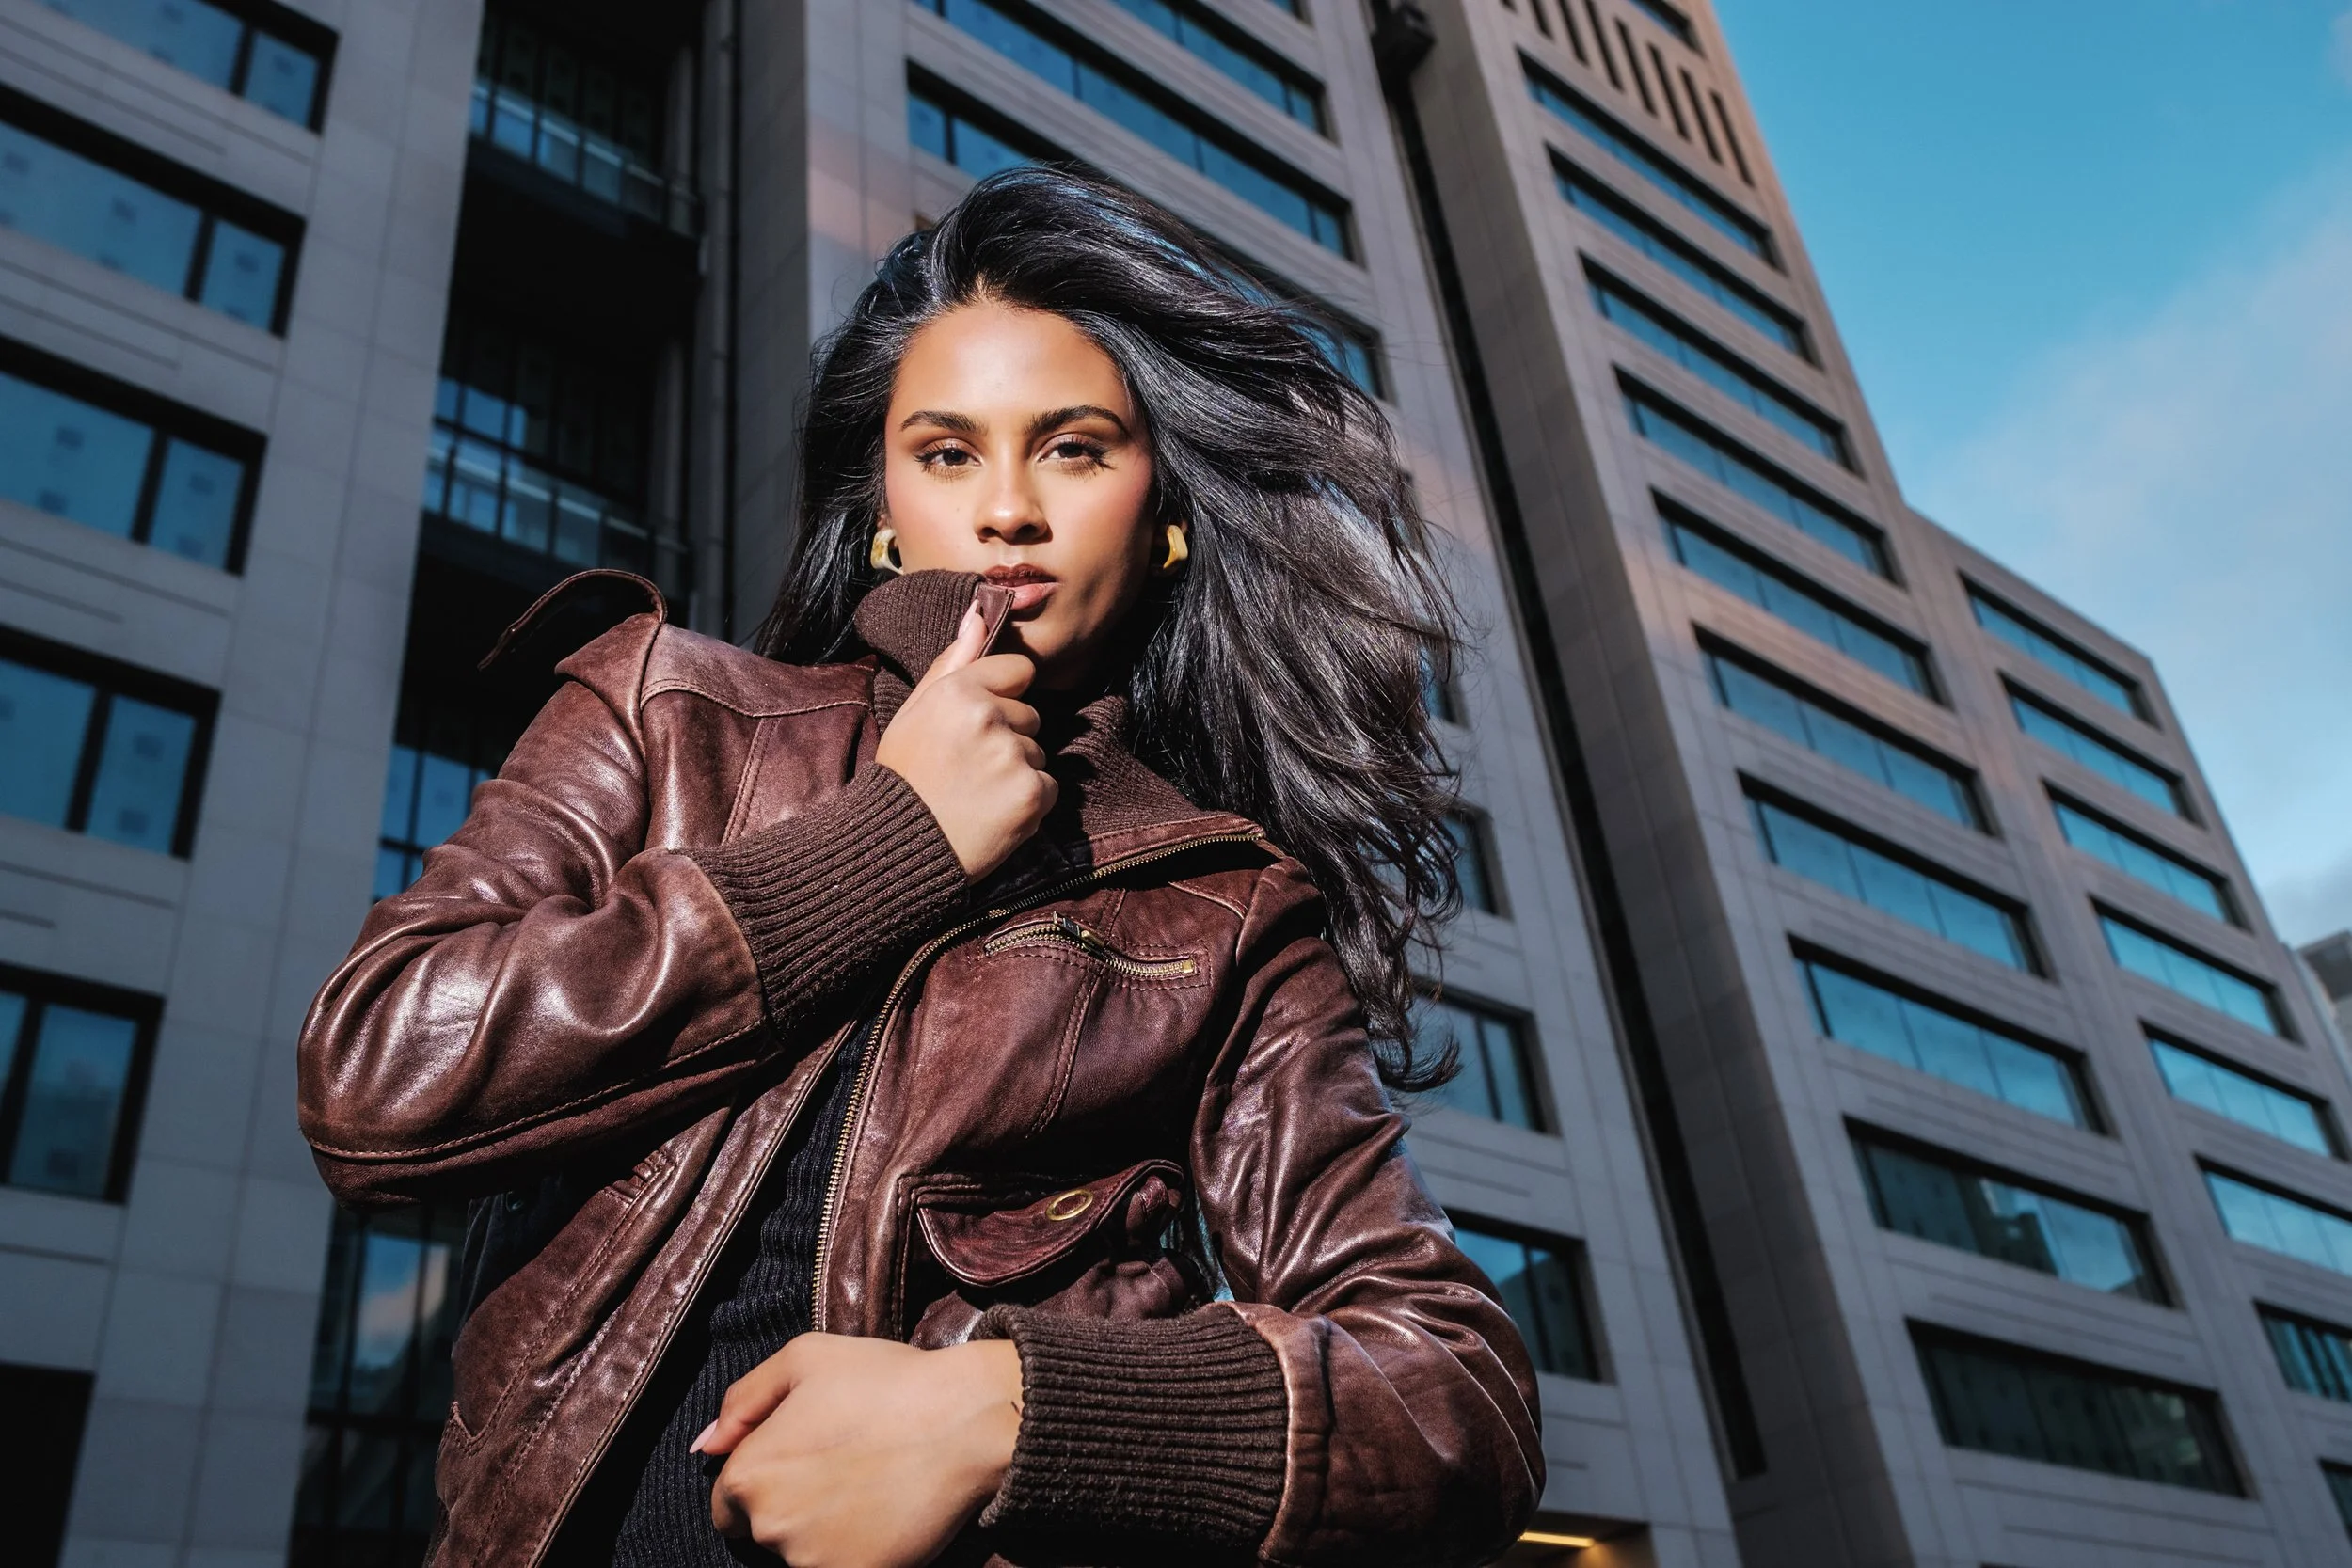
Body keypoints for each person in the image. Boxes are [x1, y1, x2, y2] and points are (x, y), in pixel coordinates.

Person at [299, 166, 1542, 1568]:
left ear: (1167, 516)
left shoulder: (1228, 910)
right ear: (885, 505)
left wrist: (1008, 1415)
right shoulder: (665, 712)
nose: (1007, 509)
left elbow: (1458, 1393)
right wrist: (893, 843)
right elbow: (370, 1080)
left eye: (1073, 448)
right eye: (947, 453)